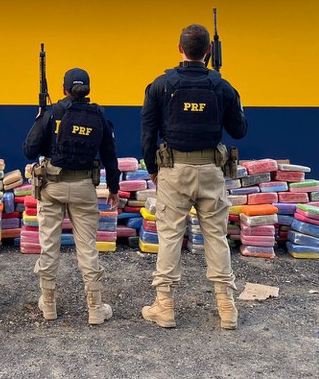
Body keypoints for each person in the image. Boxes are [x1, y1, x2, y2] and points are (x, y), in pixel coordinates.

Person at [141, 24, 247, 330]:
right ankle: (226, 307)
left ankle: (165, 307)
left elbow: (147, 135)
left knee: (170, 235)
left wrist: (152, 169)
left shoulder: (160, 85)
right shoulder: (222, 87)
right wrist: (234, 99)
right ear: (209, 52)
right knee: (216, 235)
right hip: (212, 171)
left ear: (179, 48)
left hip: (173, 171)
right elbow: (239, 130)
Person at [22, 67, 120, 325]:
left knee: (50, 245)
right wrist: (114, 188)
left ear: (64, 89)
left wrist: (39, 121)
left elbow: (28, 150)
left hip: (51, 186)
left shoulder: (52, 113)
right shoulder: (98, 114)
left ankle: (49, 305)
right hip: (83, 188)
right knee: (87, 246)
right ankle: (96, 308)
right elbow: (110, 155)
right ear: (87, 89)